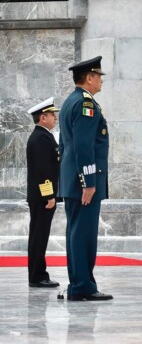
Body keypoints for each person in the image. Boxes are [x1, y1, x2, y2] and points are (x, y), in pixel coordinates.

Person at [58, 56, 112, 301]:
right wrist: (88, 182)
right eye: (98, 76)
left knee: (76, 233)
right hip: (83, 184)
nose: (100, 81)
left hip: (72, 180)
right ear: (89, 78)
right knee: (84, 235)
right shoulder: (85, 105)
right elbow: (83, 146)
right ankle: (82, 286)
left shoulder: (70, 101)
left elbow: (64, 146)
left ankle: (78, 283)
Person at [26, 97, 61, 289]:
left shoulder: (43, 136)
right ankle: (37, 276)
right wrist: (49, 195)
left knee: (39, 235)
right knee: (39, 236)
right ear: (42, 117)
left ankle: (38, 274)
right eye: (52, 115)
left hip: (41, 196)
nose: (55, 118)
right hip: (42, 198)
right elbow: (43, 171)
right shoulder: (40, 138)